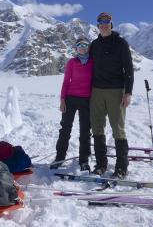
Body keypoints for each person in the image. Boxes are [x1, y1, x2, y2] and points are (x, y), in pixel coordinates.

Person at [89, 12, 134, 179]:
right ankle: (101, 164)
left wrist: (128, 92)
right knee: (97, 128)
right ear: (98, 25)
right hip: (96, 91)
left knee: (118, 130)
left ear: (111, 24)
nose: (104, 24)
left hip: (116, 91)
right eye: (101, 22)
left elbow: (128, 70)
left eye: (107, 21)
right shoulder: (94, 45)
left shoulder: (121, 43)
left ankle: (122, 167)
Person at [50, 38, 94, 171]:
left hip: (86, 100)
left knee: (85, 131)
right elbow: (66, 82)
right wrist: (62, 99)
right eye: (79, 45)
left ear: (88, 47)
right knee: (65, 129)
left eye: (85, 45)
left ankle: (84, 160)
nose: (82, 47)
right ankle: (60, 157)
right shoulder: (71, 62)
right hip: (70, 99)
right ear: (76, 48)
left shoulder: (93, 62)